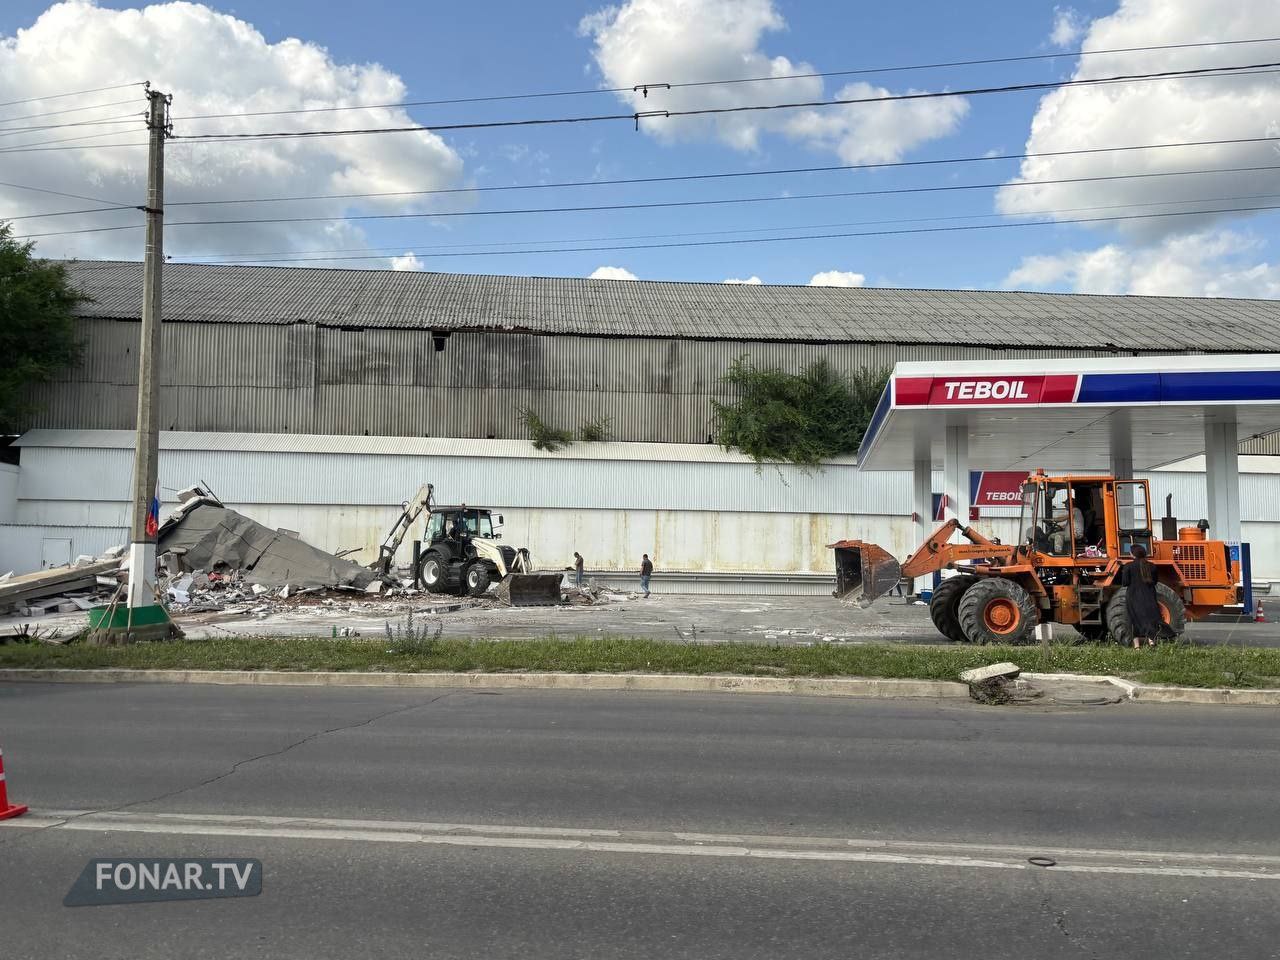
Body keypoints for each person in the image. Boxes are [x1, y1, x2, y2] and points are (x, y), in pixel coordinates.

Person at [1120, 543, 1166, 648]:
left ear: (1132, 554)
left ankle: (1137, 647)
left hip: (1133, 596)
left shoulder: (1128, 566)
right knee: (1149, 618)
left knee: (1134, 619)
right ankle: (1151, 642)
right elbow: (1155, 581)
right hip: (1149, 595)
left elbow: (1125, 583)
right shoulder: (1152, 566)